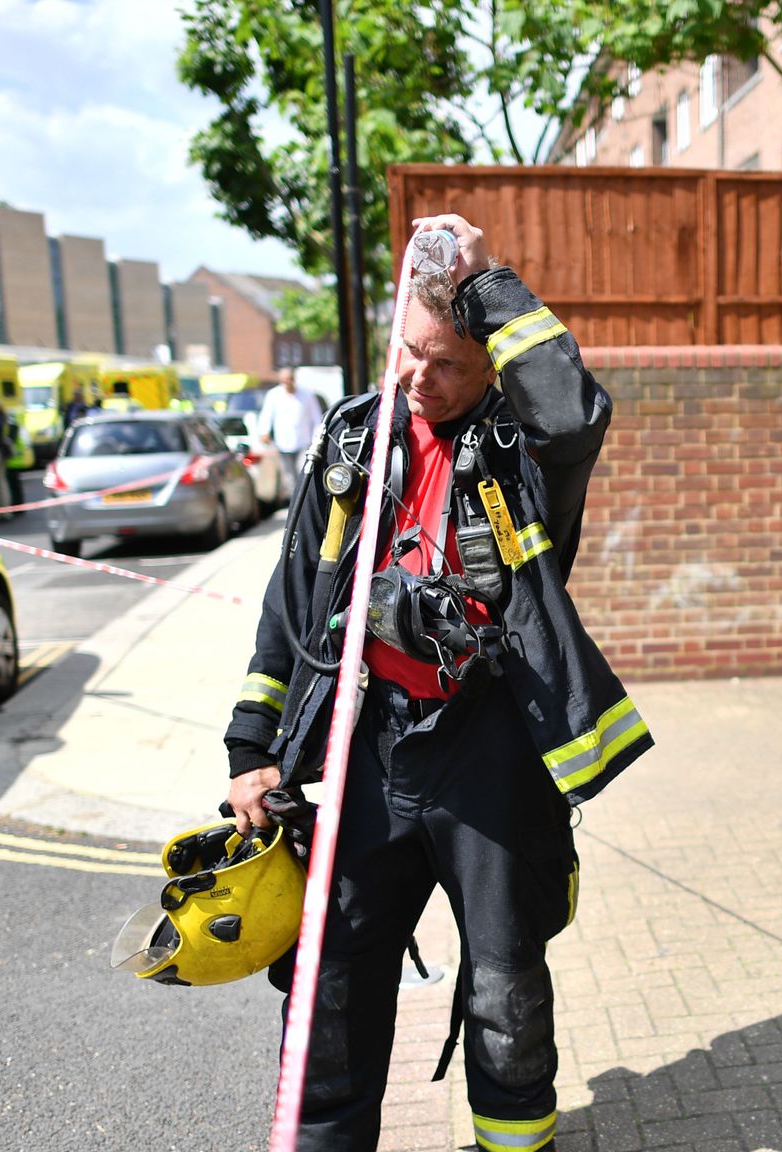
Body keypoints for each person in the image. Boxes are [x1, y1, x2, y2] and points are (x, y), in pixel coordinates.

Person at [222, 213, 651, 1152]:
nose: (419, 379)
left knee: (504, 992)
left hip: (488, 751)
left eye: (446, 363)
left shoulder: (526, 447)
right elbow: (292, 599)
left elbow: (574, 408)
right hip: (368, 749)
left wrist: (486, 285)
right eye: (409, 354)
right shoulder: (355, 435)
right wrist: (252, 748)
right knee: (327, 987)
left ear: (491, 363)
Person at [254, 365, 323, 499]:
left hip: (304, 441)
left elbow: (316, 417)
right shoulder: (273, 395)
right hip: (283, 442)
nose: (287, 383)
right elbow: (266, 415)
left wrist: (316, 437)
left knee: (303, 471)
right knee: (289, 477)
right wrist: (264, 431)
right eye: (284, 380)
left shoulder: (307, 395)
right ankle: (295, 501)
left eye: (289, 379)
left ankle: (305, 499)